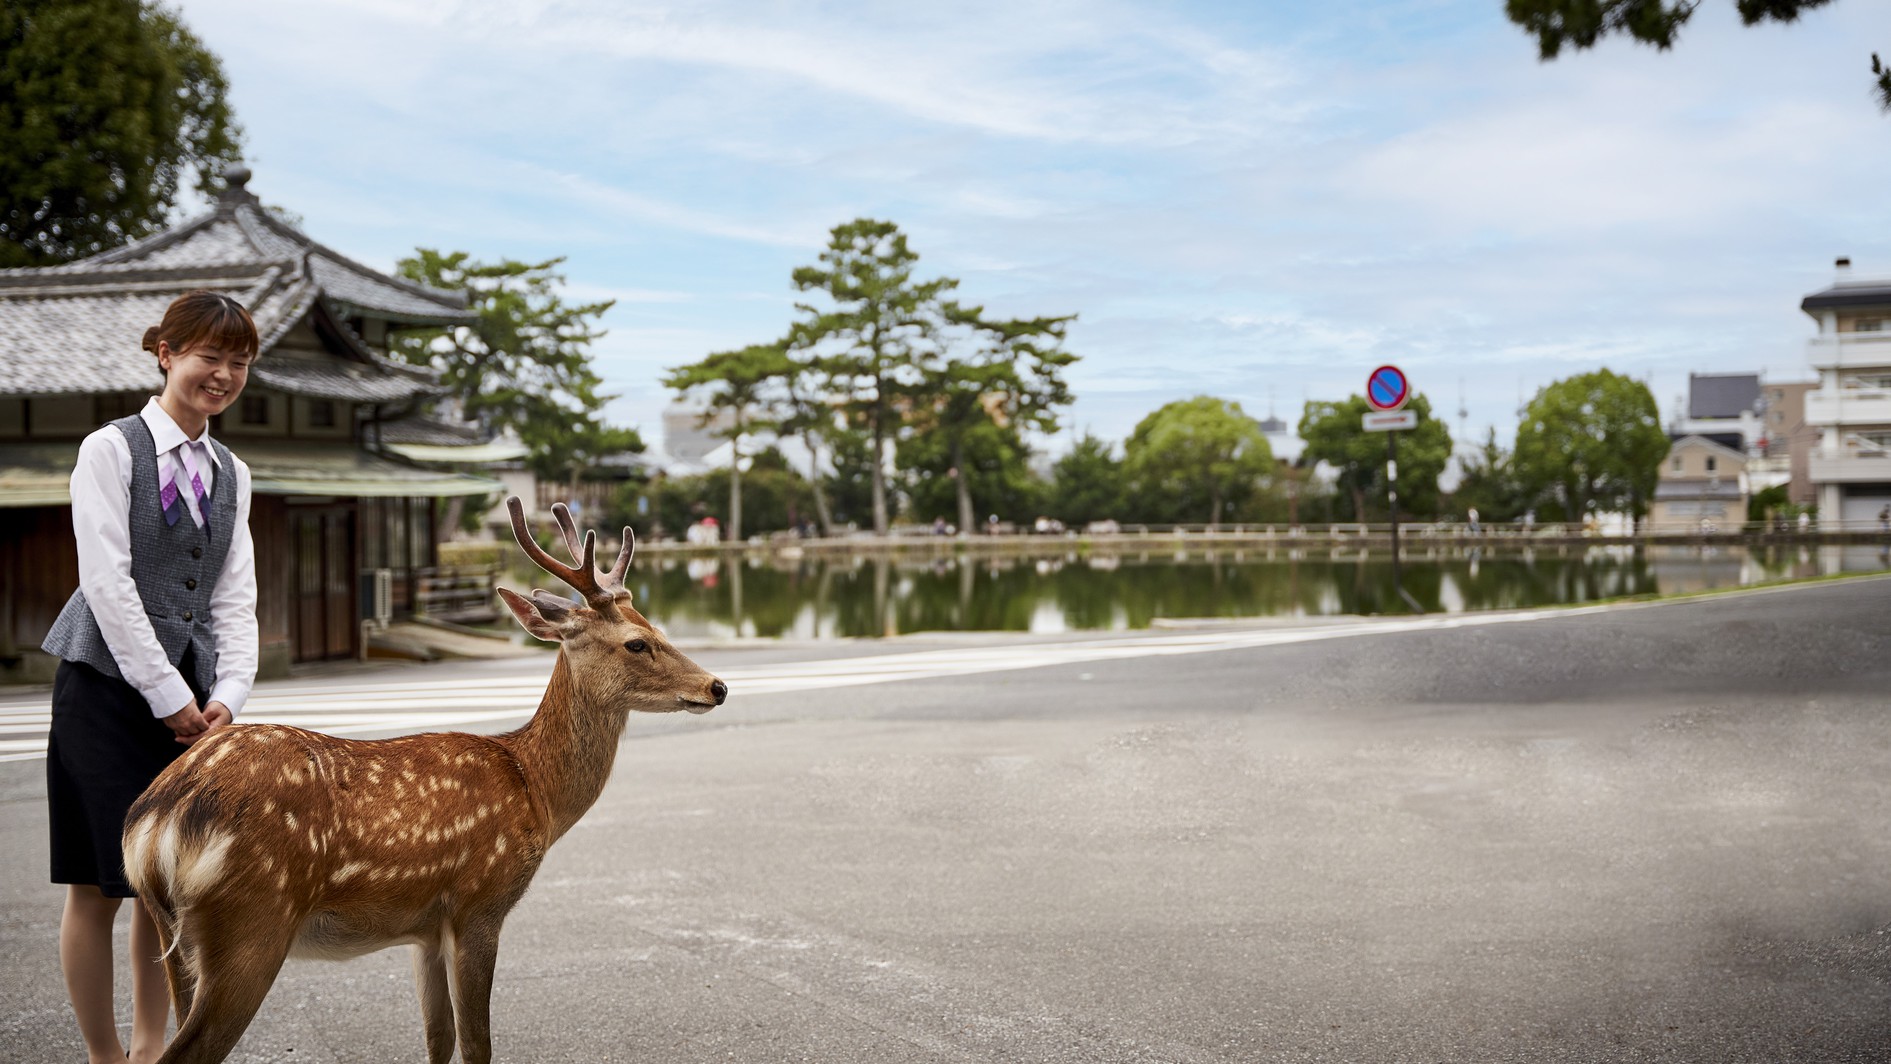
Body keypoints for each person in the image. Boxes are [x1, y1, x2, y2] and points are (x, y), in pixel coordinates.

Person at [41, 290, 260, 1064]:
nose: (224, 375)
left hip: (198, 711)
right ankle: (104, 1059)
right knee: (101, 888)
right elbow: (107, 583)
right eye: (210, 357)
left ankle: (149, 1049)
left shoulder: (232, 471)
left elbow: (237, 598)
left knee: (167, 887)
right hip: (104, 693)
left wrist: (227, 697)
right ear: (166, 353)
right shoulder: (110, 449)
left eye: (239, 363)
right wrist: (169, 698)